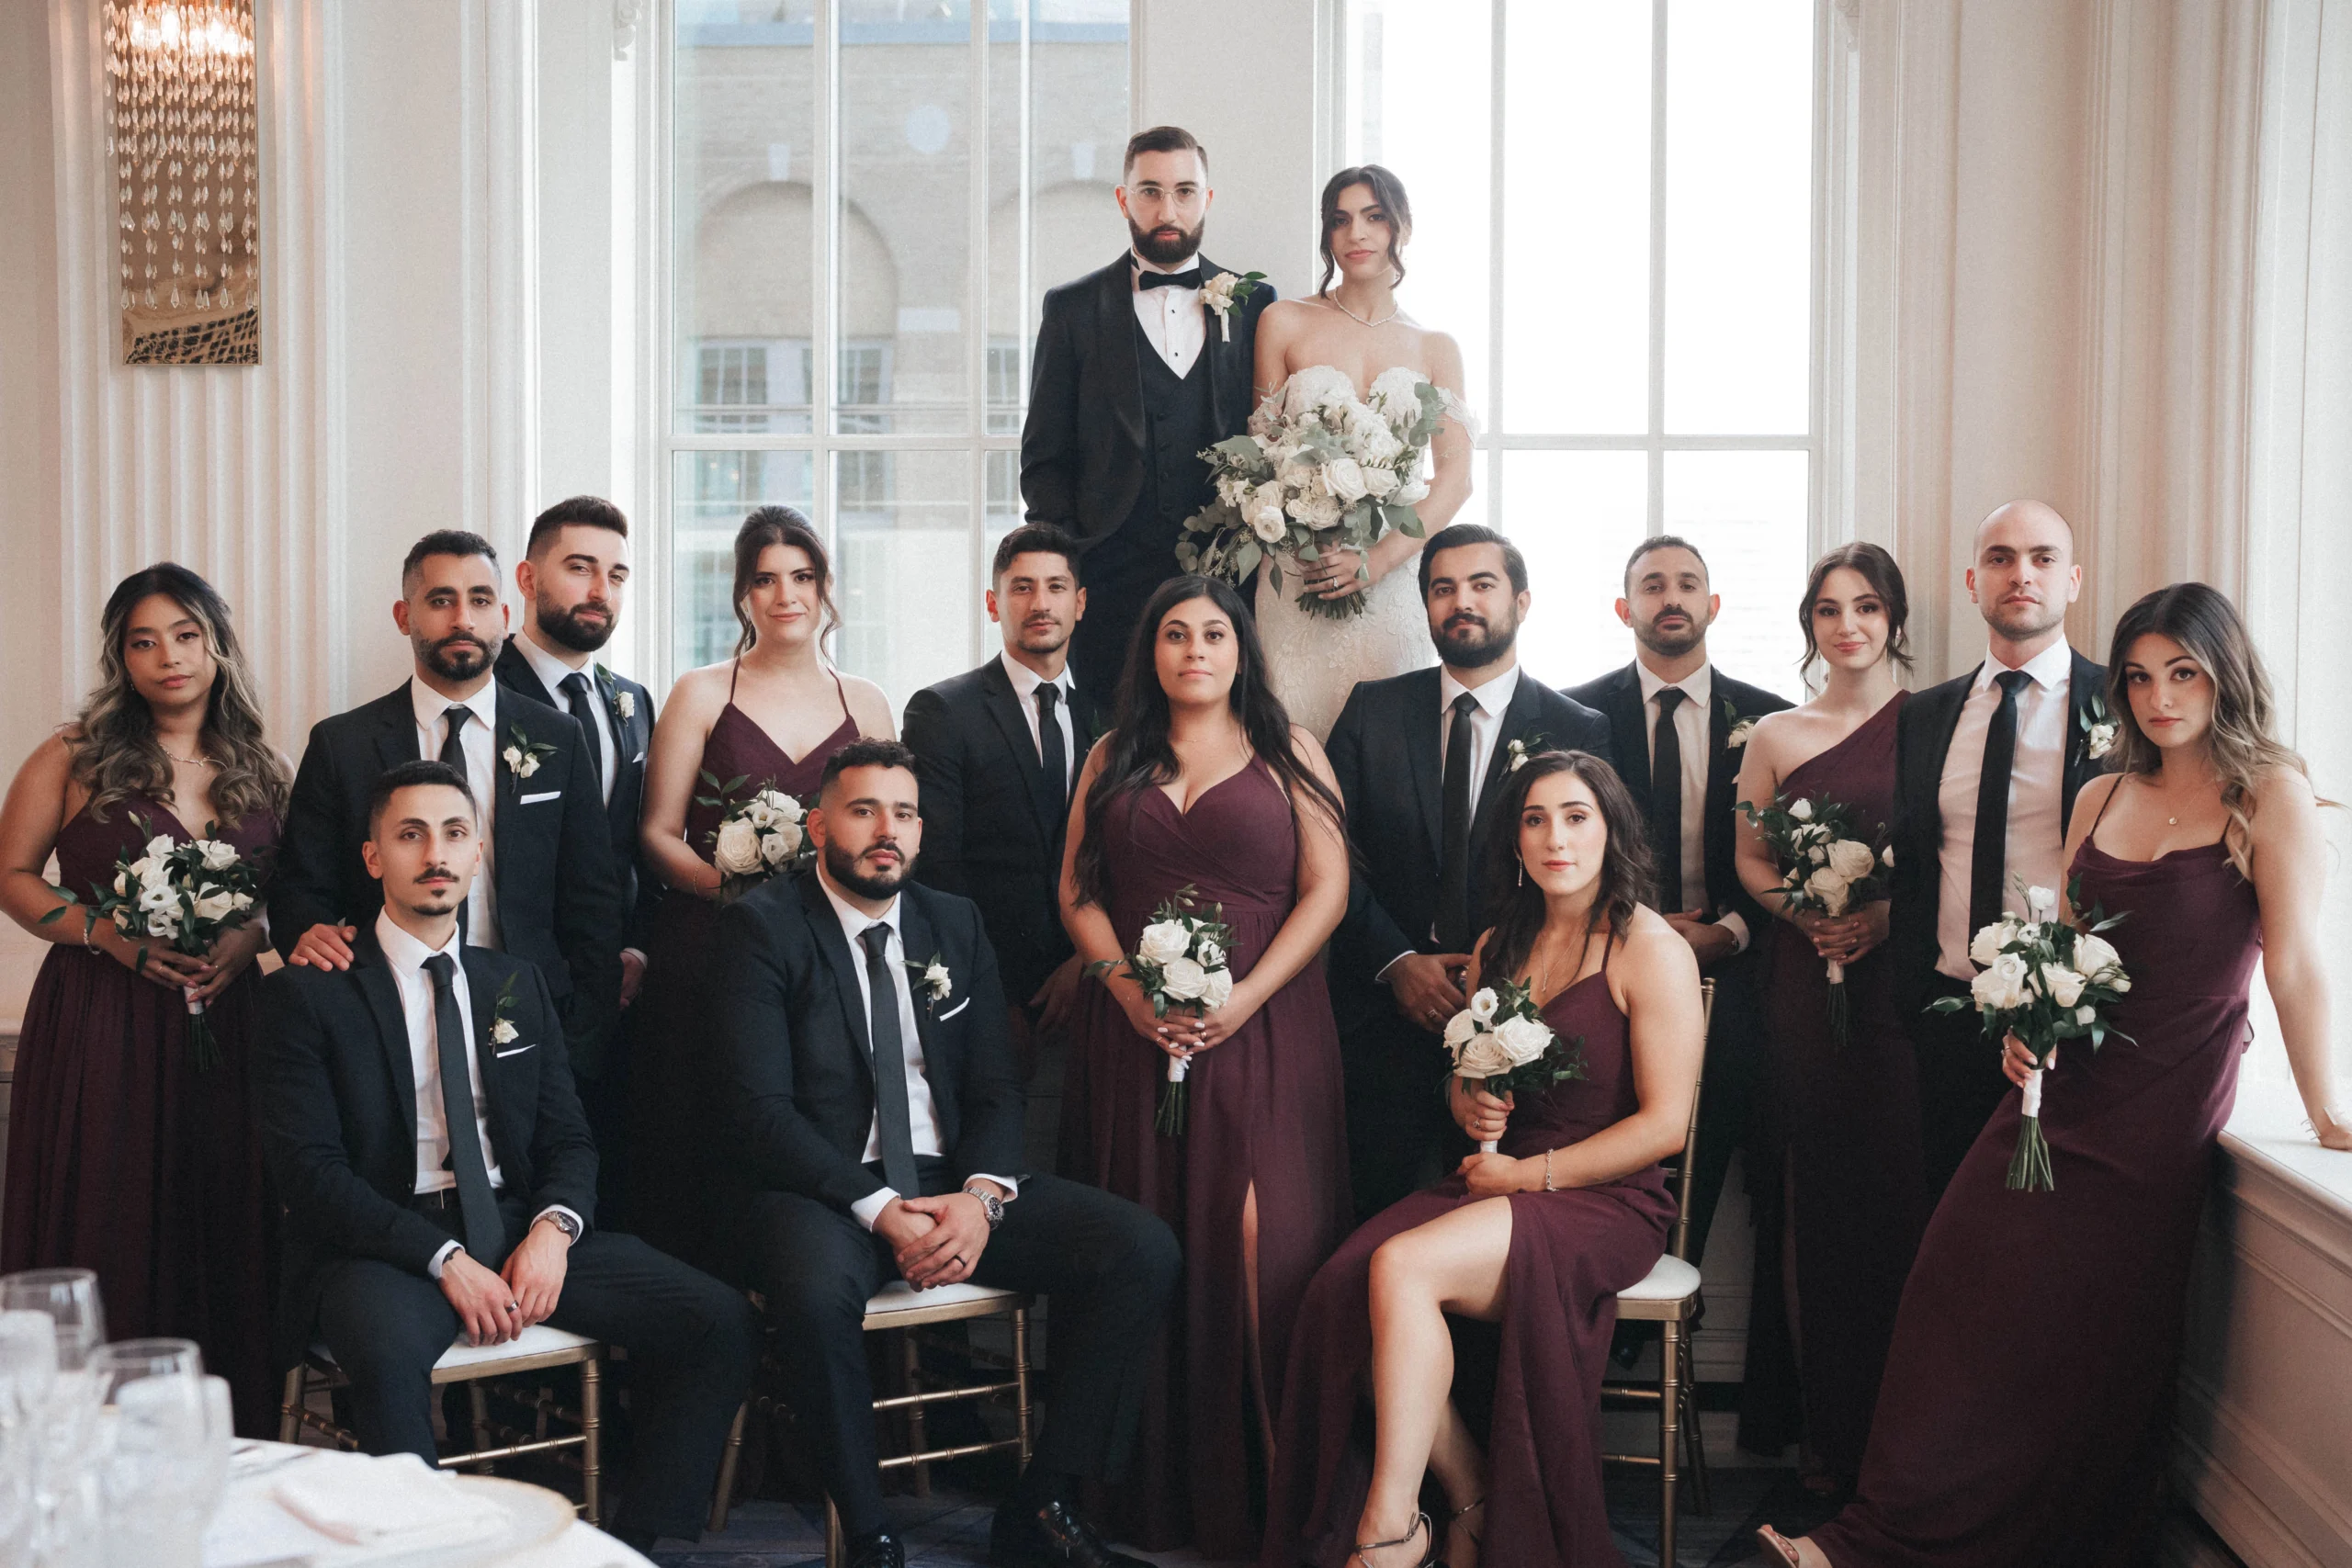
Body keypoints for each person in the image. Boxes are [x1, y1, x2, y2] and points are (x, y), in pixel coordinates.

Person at [1760, 582, 2348, 1567]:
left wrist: (2326, 1104)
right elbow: (2060, 950)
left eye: (2183, 673)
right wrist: (2020, 1029)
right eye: (2138, 677)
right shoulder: (2100, 793)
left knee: (2083, 1339)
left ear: (2222, 677)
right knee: (1950, 1290)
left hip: (2160, 1113)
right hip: (2054, 1095)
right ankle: (1887, 1530)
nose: (2160, 697)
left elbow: (2292, 963)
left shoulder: (2272, 793)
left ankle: (2009, 1539)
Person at [256, 761, 758, 1554]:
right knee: (386, 1358)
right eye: (411, 834)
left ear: (480, 850)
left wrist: (555, 1230)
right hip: (383, 1246)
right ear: (372, 856)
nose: (436, 854)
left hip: (519, 1226)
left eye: (455, 833)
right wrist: (443, 1257)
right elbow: (310, 1176)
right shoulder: (311, 991)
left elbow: (568, 1138)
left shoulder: (512, 982)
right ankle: (423, 1554)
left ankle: (643, 1547)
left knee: (719, 1319)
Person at [714, 739, 1181, 1568]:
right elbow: (760, 1115)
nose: (885, 830)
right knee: (818, 1294)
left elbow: (997, 1088)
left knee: (1139, 1248)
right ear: (820, 824)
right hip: (823, 1190)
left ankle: (1042, 1502)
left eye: (902, 813)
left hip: (949, 1182)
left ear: (921, 832)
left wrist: (980, 1198)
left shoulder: (952, 920)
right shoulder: (763, 927)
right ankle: (870, 1534)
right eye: (863, 811)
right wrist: (878, 1209)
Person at [1264, 750, 1703, 1568]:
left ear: (1611, 831)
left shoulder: (1651, 946)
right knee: (1340, 1286)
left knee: (1398, 1267)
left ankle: (1388, 1528)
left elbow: (1666, 1126)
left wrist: (1530, 1176)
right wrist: (1467, 1103)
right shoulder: (1501, 941)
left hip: (1603, 1196)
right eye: (1535, 819)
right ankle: (1471, 1495)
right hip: (1498, 1178)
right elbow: (1469, 1082)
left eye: (1576, 817)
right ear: (1513, 840)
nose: (1555, 838)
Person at [1057, 574, 1352, 1555]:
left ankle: (1272, 1501)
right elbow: (1078, 896)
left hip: (1268, 1030)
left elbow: (1327, 892)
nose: (1194, 650)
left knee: (1262, 1249)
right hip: (1133, 1040)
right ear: (1149, 652)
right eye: (1174, 633)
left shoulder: (1288, 752)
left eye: (1213, 634)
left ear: (1241, 651)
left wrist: (1246, 998)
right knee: (1147, 1243)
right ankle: (1145, 1502)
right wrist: (1131, 997)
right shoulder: (1110, 756)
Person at [0, 565, 286, 1435]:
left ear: (219, 644)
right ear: (120, 656)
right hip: (100, 1023)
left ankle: (227, 1445)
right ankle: (87, 1439)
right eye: (144, 639)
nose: (169, 656)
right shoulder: (74, 753)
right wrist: (108, 936)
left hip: (225, 1019)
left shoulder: (261, 766)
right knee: (109, 1211)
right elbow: (11, 877)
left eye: (187, 634)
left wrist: (254, 936)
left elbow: (290, 892)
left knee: (219, 1210)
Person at [1325, 524, 1613, 1221]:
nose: (1463, 602)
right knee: (1373, 1219)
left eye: (1482, 585)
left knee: (1497, 1226)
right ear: (1425, 606)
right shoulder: (1373, 709)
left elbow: (1589, 880)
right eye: (1443, 588)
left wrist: (1504, 986)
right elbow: (1326, 853)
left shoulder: (1580, 729)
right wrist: (1397, 961)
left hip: (1522, 1028)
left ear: (1521, 600)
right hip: (1384, 1019)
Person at [628, 506, 891, 1267]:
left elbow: (884, 833)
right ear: (742, 594)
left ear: (825, 588)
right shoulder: (701, 692)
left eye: (803, 577)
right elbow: (656, 835)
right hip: (709, 947)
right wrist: (739, 896)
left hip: (823, 956)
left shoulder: (866, 701)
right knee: (704, 1134)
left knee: (814, 1129)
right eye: (767, 579)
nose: (786, 596)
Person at [1728, 544, 1928, 1496]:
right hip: (1804, 985)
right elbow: (1749, 862)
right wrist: (1805, 916)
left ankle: (1900, 1446)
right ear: (1808, 625)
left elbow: (1945, 857)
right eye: (1826, 609)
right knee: (1815, 1202)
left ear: (1894, 618)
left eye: (1865, 606)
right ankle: (1826, 1442)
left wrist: (1881, 917)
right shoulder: (1772, 733)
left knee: (1900, 1203)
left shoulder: (1932, 724)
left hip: (1898, 989)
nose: (1846, 624)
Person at [273, 530, 623, 1070]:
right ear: (404, 616)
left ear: (504, 615)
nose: (463, 619)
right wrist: (310, 934)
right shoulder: (341, 744)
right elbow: (300, 892)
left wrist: (580, 1035)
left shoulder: (559, 737)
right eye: (441, 600)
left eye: (480, 600)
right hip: (382, 1022)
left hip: (536, 1018)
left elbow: (592, 903)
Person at [1566, 535, 1792, 1265]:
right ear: (1625, 606)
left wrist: (1728, 931)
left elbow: (1796, 857)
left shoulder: (1771, 720)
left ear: (1713, 604)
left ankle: (1679, 1321)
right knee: (1601, 1145)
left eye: (1688, 584)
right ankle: (1603, 1323)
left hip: (1735, 977)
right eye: (1654, 585)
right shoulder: (1577, 717)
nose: (1672, 598)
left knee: (1716, 1155)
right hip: (1607, 974)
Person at [1885, 501, 2109, 1201]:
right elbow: (1920, 860)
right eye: (2000, 558)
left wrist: (2069, 1009)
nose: (2022, 574)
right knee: (1949, 1224)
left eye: (2042, 558)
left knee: (2052, 1241)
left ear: (2071, 581)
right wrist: (1916, 993)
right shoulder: (1925, 713)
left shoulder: (2119, 707)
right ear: (1971, 581)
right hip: (1948, 1014)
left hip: (2070, 1028)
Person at [1022, 125, 1276, 705]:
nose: (1168, 208)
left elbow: (1271, 439)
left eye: (1185, 191)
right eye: (1151, 191)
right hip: (1109, 581)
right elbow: (1044, 460)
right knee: (1114, 745)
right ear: (1123, 199)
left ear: (1206, 199)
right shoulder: (1072, 309)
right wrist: (1072, 566)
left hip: (1230, 580)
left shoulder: (1255, 303)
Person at [1250, 165, 1476, 740]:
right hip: (1301, 576)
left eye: (1375, 217)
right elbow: (1261, 456)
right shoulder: (1283, 322)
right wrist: (1300, 529)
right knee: (1293, 743)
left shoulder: (1436, 348)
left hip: (1391, 582)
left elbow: (1454, 480)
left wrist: (1374, 562)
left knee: (1389, 752)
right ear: (1327, 235)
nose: (1358, 234)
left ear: (1402, 228)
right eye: (1341, 220)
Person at [492, 494, 656, 1223]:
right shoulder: (483, 691)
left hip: (611, 990)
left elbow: (630, 847)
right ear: (527, 579)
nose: (601, 590)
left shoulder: (633, 700)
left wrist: (634, 946)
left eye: (617, 574)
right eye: (580, 567)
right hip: (517, 980)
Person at [902, 524, 1102, 1086]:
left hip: (1095, 981)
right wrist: (996, 998)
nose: (1041, 603)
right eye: (1022, 588)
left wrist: (1086, 962)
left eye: (1056, 587)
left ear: (1080, 602)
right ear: (994, 604)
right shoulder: (942, 711)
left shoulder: (1114, 713)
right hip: (986, 994)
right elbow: (938, 868)